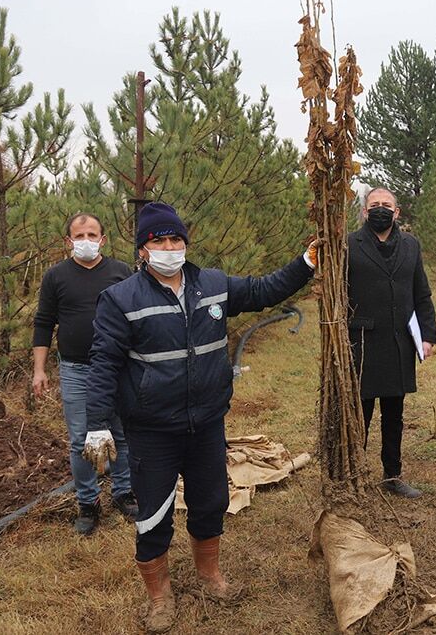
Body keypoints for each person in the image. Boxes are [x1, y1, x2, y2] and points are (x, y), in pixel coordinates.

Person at [81, 202, 315, 632]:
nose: (169, 247)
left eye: (176, 239)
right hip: (153, 429)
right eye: (159, 241)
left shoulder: (213, 285)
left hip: (207, 422)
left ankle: (209, 575)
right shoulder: (121, 299)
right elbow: (104, 363)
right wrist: (97, 423)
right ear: (143, 251)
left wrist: (305, 263)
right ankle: (159, 595)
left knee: (210, 502)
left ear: (185, 243)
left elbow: (264, 290)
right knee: (152, 513)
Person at [32, 212, 137, 535]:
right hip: (76, 369)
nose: (86, 242)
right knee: (81, 439)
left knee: (121, 432)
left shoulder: (121, 272)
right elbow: (44, 322)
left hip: (119, 366)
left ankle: (124, 492)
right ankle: (88, 503)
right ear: (68, 242)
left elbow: (137, 316)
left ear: (103, 240)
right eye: (80, 236)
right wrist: (39, 370)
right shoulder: (56, 276)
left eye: (93, 235)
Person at [347, 187, 436, 499]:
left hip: (399, 341)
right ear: (364, 211)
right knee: (360, 414)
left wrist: (427, 335)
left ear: (397, 213)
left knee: (394, 413)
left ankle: (392, 475)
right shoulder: (349, 244)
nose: (381, 209)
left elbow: (421, 292)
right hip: (361, 342)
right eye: (375, 205)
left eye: (387, 205)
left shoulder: (411, 245)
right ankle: (354, 475)